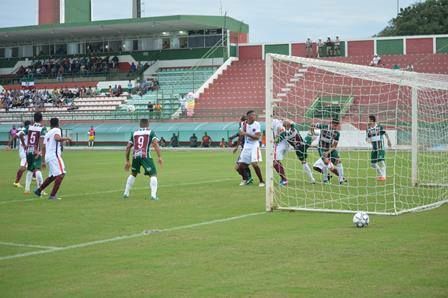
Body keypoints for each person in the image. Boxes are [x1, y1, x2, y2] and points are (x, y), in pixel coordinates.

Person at [123, 118, 163, 200]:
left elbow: (128, 147)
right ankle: (153, 196)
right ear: (148, 124)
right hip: (145, 156)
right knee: (153, 174)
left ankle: (126, 193)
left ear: (140, 124)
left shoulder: (134, 133)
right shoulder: (150, 132)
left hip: (135, 156)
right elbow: (155, 144)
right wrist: (159, 157)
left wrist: (127, 160)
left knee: (133, 174)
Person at [34, 118, 71, 200]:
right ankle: (52, 195)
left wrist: (43, 160)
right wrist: (67, 138)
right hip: (54, 156)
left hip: (48, 156)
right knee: (61, 174)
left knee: (53, 176)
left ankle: (39, 190)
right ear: (58, 123)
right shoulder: (57, 130)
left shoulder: (48, 133)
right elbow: (57, 138)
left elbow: (43, 147)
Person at [280, 120, 316, 184]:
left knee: (304, 162)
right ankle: (313, 132)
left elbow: (278, 139)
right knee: (310, 133)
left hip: (298, 149)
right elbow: (291, 122)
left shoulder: (283, 134)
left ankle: (312, 179)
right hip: (304, 144)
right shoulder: (294, 128)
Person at [20, 112, 46, 194]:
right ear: (41, 119)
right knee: (37, 169)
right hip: (36, 151)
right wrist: (40, 151)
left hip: (28, 151)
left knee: (30, 170)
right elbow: (41, 141)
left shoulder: (29, 127)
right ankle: (41, 190)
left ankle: (27, 189)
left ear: (34, 119)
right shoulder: (42, 128)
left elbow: (20, 134)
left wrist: (24, 145)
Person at [313, 118, 345, 184]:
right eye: (334, 125)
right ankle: (325, 180)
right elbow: (313, 125)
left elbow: (334, 146)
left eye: (336, 126)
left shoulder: (337, 133)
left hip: (330, 149)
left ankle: (341, 180)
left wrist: (328, 152)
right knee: (325, 162)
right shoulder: (323, 127)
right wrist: (312, 131)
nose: (335, 127)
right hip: (321, 148)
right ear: (331, 123)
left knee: (338, 161)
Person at [237, 110, 265, 187]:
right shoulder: (243, 124)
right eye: (253, 115)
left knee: (254, 163)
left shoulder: (256, 124)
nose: (254, 116)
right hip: (246, 146)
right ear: (248, 116)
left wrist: (245, 133)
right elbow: (240, 134)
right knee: (239, 167)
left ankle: (261, 181)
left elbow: (257, 137)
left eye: (255, 115)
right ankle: (246, 179)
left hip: (254, 146)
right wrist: (237, 145)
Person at [366, 115, 392, 181]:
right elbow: (367, 138)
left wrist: (388, 141)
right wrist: (368, 140)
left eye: (369, 120)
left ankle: (383, 176)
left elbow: (385, 133)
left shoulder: (379, 127)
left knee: (381, 161)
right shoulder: (368, 129)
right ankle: (381, 175)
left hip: (380, 147)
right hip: (374, 148)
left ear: (372, 120)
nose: (368, 121)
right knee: (373, 164)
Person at [230, 115, 252, 185]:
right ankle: (248, 178)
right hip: (244, 150)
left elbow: (240, 135)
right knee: (243, 166)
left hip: (247, 150)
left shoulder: (248, 129)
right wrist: (236, 147)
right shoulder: (243, 128)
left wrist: (233, 138)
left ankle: (245, 179)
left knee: (239, 166)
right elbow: (239, 136)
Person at [13, 121, 31, 188]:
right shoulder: (27, 129)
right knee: (23, 167)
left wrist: (9, 144)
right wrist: (24, 144)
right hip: (25, 151)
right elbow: (20, 135)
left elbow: (15, 135)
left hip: (21, 150)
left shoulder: (22, 129)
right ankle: (16, 182)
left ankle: (34, 176)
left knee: (32, 163)